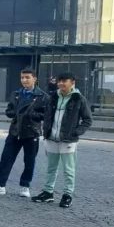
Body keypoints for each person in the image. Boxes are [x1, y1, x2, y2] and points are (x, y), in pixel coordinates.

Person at [0, 69, 46, 198]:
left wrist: (33, 115)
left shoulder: (42, 96)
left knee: (29, 161)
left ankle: (25, 186)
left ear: (34, 79)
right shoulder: (16, 94)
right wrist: (11, 113)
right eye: (22, 77)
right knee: (6, 159)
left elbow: (45, 114)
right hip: (15, 130)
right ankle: (0, 185)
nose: (24, 80)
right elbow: (10, 109)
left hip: (31, 131)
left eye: (27, 77)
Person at [32, 72, 92, 208]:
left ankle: (67, 195)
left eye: (65, 81)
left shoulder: (79, 99)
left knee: (68, 170)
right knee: (51, 168)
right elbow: (45, 113)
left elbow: (88, 120)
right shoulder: (53, 97)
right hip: (51, 138)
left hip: (68, 140)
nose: (61, 83)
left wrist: (76, 132)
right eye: (59, 81)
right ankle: (48, 192)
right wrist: (44, 125)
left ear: (73, 82)